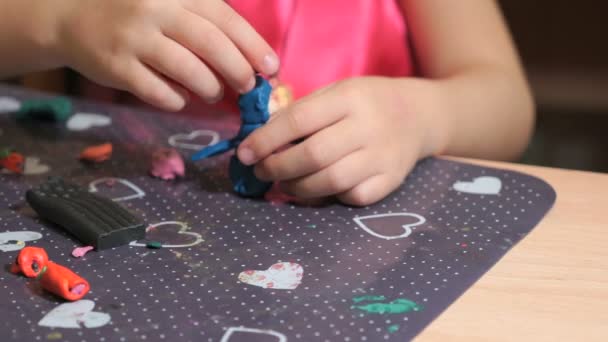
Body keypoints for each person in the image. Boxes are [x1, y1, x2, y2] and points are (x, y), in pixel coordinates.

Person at [0, 0, 533, 206]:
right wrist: (59, 21)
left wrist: (421, 116)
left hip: (369, 246)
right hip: (160, 216)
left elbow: (509, 105)